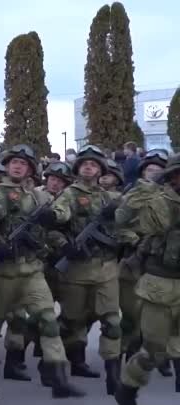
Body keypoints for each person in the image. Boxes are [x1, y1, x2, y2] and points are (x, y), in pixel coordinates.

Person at [0, 144, 84, 398]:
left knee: (48, 321)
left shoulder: (39, 197)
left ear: (30, 169)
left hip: (32, 271)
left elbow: (62, 212)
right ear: (6, 165)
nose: (17, 166)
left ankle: (59, 379)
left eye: (23, 163)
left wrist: (52, 216)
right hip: (1, 272)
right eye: (13, 162)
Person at [47, 145, 123, 395]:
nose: (89, 167)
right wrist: (66, 246)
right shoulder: (69, 194)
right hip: (77, 270)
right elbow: (56, 221)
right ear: (78, 168)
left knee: (112, 322)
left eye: (94, 164)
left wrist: (120, 217)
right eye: (84, 164)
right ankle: (60, 363)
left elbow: (125, 225)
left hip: (106, 269)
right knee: (71, 321)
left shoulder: (110, 197)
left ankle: (114, 377)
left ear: (101, 169)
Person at [115, 153, 180, 404]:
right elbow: (126, 221)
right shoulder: (158, 201)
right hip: (159, 285)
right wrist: (139, 198)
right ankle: (128, 387)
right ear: (173, 177)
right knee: (153, 350)